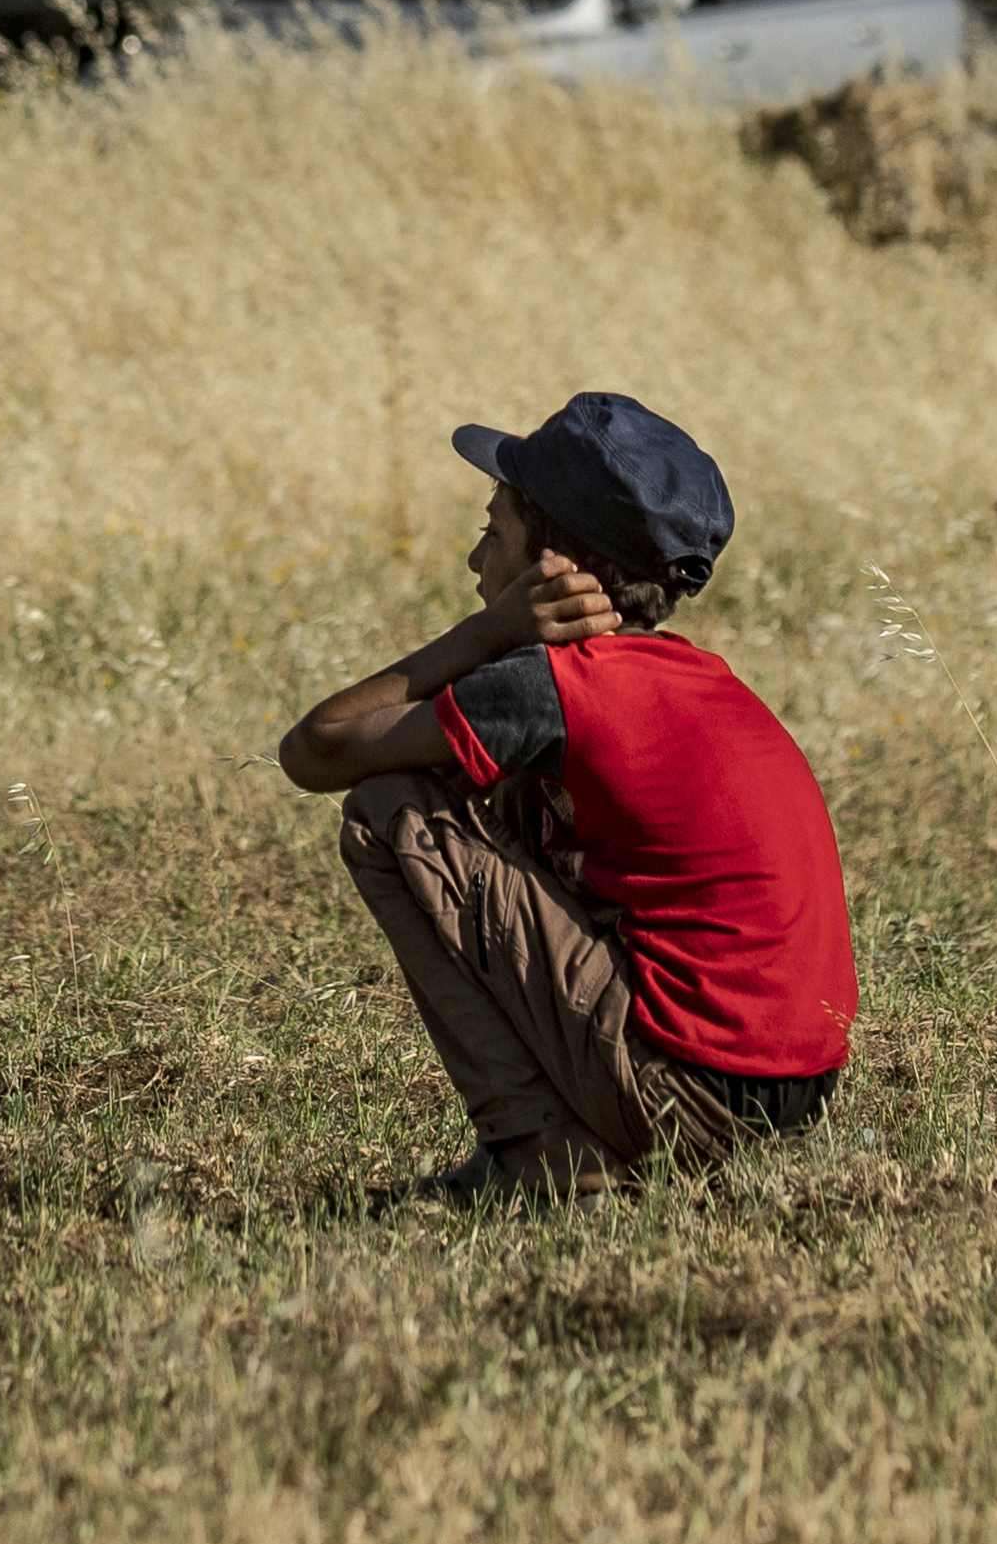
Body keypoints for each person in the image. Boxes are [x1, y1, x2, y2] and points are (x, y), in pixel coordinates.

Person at [274, 392, 856, 1201]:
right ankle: (576, 1133)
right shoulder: (688, 680)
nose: (476, 562)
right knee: (491, 786)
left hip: (690, 1095)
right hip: (789, 1093)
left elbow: (316, 749)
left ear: (552, 567)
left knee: (390, 812)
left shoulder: (553, 688)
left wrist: (486, 633)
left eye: (494, 532)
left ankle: (537, 1152)